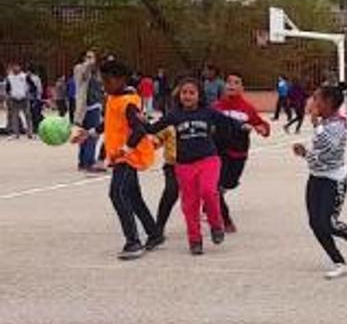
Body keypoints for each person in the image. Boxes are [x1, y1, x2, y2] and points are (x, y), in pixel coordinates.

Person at [71, 59, 162, 260]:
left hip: (127, 158)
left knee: (117, 194)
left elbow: (139, 129)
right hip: (120, 156)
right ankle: (154, 233)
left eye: (107, 80)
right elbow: (109, 123)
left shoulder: (129, 102)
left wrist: (126, 149)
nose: (104, 85)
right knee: (134, 197)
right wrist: (89, 133)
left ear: (121, 79)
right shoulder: (114, 97)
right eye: (102, 80)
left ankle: (133, 242)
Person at [146, 77, 249, 255]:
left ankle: (216, 224)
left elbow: (228, 122)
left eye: (192, 93)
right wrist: (139, 122)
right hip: (184, 165)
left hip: (208, 160)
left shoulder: (208, 112)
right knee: (190, 204)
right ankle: (194, 240)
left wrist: (243, 126)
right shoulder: (174, 115)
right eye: (184, 93)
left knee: (209, 191)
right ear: (179, 96)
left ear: (199, 95)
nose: (187, 96)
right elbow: (152, 128)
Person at [292, 84, 347, 280]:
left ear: (327, 103)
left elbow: (331, 147)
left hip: (334, 180)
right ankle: (339, 262)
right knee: (315, 223)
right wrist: (305, 152)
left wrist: (317, 124)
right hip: (316, 177)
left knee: (328, 223)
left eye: (316, 98)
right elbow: (320, 153)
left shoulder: (338, 124)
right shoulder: (325, 123)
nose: (312, 102)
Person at [213, 72, 271, 233]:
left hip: (238, 153)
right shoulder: (216, 107)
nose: (231, 85)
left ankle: (214, 200)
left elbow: (262, 125)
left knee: (229, 183)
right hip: (219, 152)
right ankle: (225, 220)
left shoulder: (247, 108)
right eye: (229, 82)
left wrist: (262, 129)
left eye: (236, 82)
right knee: (215, 187)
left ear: (242, 88)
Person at [72, 51, 106, 173]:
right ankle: (87, 162)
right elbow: (83, 75)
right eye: (87, 56)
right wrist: (88, 63)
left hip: (95, 106)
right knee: (85, 135)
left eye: (92, 57)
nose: (90, 59)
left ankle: (85, 161)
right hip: (83, 107)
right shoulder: (79, 68)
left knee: (91, 134)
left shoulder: (97, 73)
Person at [4, 63, 34, 139]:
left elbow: (32, 85)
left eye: (17, 66)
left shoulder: (24, 76)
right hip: (14, 99)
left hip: (24, 98)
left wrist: (29, 92)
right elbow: (7, 88)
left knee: (27, 115)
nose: (15, 68)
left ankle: (30, 133)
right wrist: (9, 94)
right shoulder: (9, 77)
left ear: (20, 67)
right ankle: (16, 134)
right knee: (15, 117)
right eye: (13, 66)